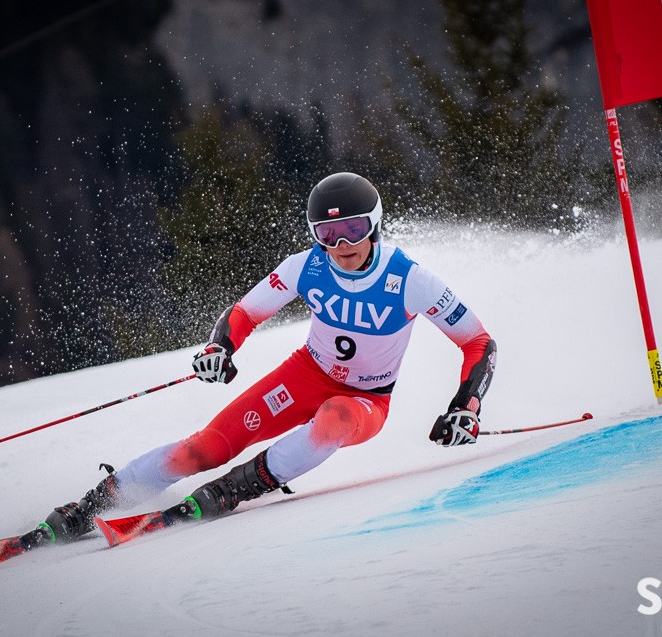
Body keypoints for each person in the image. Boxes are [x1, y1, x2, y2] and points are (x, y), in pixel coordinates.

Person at [41, 172, 497, 542]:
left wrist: (466, 407)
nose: (342, 246)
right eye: (328, 234)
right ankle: (92, 506)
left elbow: (479, 343)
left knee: (334, 418)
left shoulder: (411, 279)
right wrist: (220, 348)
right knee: (204, 448)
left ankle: (236, 488)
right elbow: (245, 312)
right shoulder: (306, 266)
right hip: (306, 375)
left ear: (374, 226)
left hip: (367, 399)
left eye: (353, 230)